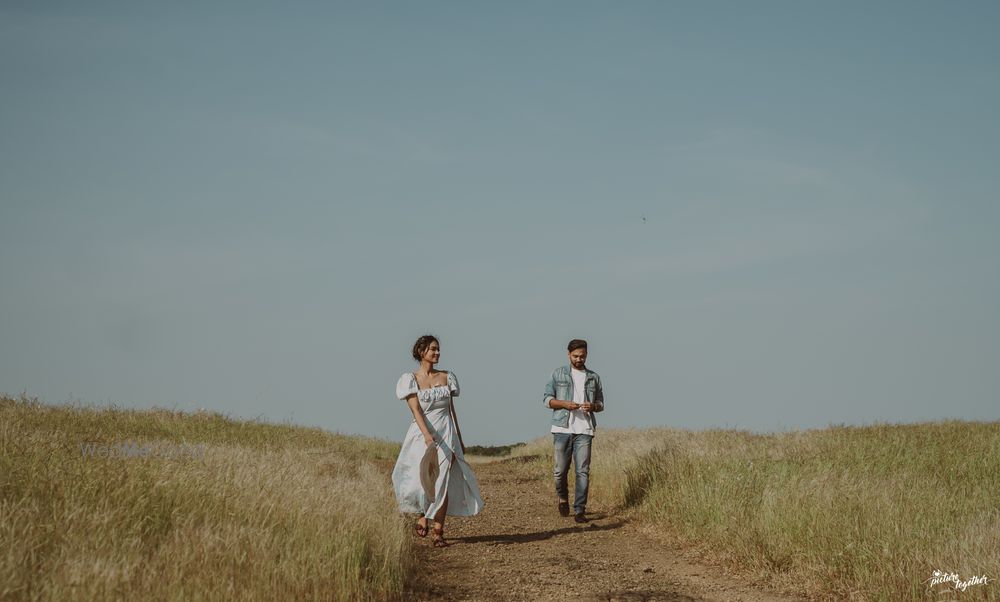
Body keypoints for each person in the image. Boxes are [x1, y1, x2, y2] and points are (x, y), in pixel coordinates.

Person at [392, 335, 483, 547]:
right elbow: (415, 410)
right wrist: (426, 436)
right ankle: (422, 515)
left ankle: (438, 531)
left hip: (446, 433)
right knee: (423, 479)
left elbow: (451, 410)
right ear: (421, 352)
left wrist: (458, 437)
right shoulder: (410, 379)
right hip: (421, 434)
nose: (437, 353)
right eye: (433, 349)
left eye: (438, 349)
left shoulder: (447, 377)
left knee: (443, 480)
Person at [542, 338, 604, 523]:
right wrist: (564, 404)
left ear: (586, 355)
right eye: (576, 356)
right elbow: (546, 400)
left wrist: (592, 406)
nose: (579, 359)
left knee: (582, 471)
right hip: (562, 428)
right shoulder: (557, 374)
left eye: (582, 356)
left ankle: (579, 510)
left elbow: (601, 404)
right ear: (568, 354)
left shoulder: (594, 377)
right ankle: (562, 498)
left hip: (585, 429)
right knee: (560, 471)